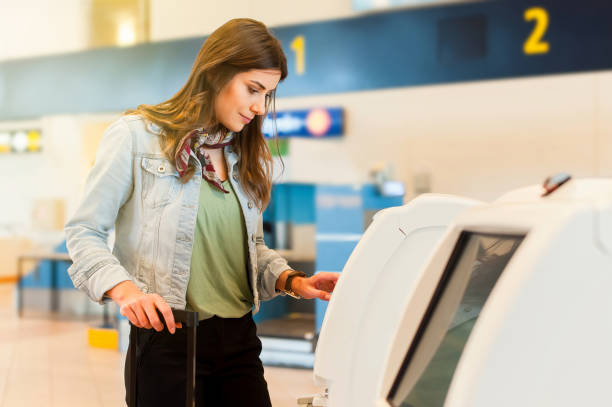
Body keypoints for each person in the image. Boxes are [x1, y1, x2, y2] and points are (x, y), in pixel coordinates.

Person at [65, 18, 340, 407]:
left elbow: (251, 248)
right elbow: (83, 232)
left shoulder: (243, 156)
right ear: (217, 73)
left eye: (268, 95)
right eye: (253, 89)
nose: (260, 107)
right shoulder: (134, 137)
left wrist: (294, 282)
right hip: (166, 340)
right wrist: (127, 292)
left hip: (240, 341)